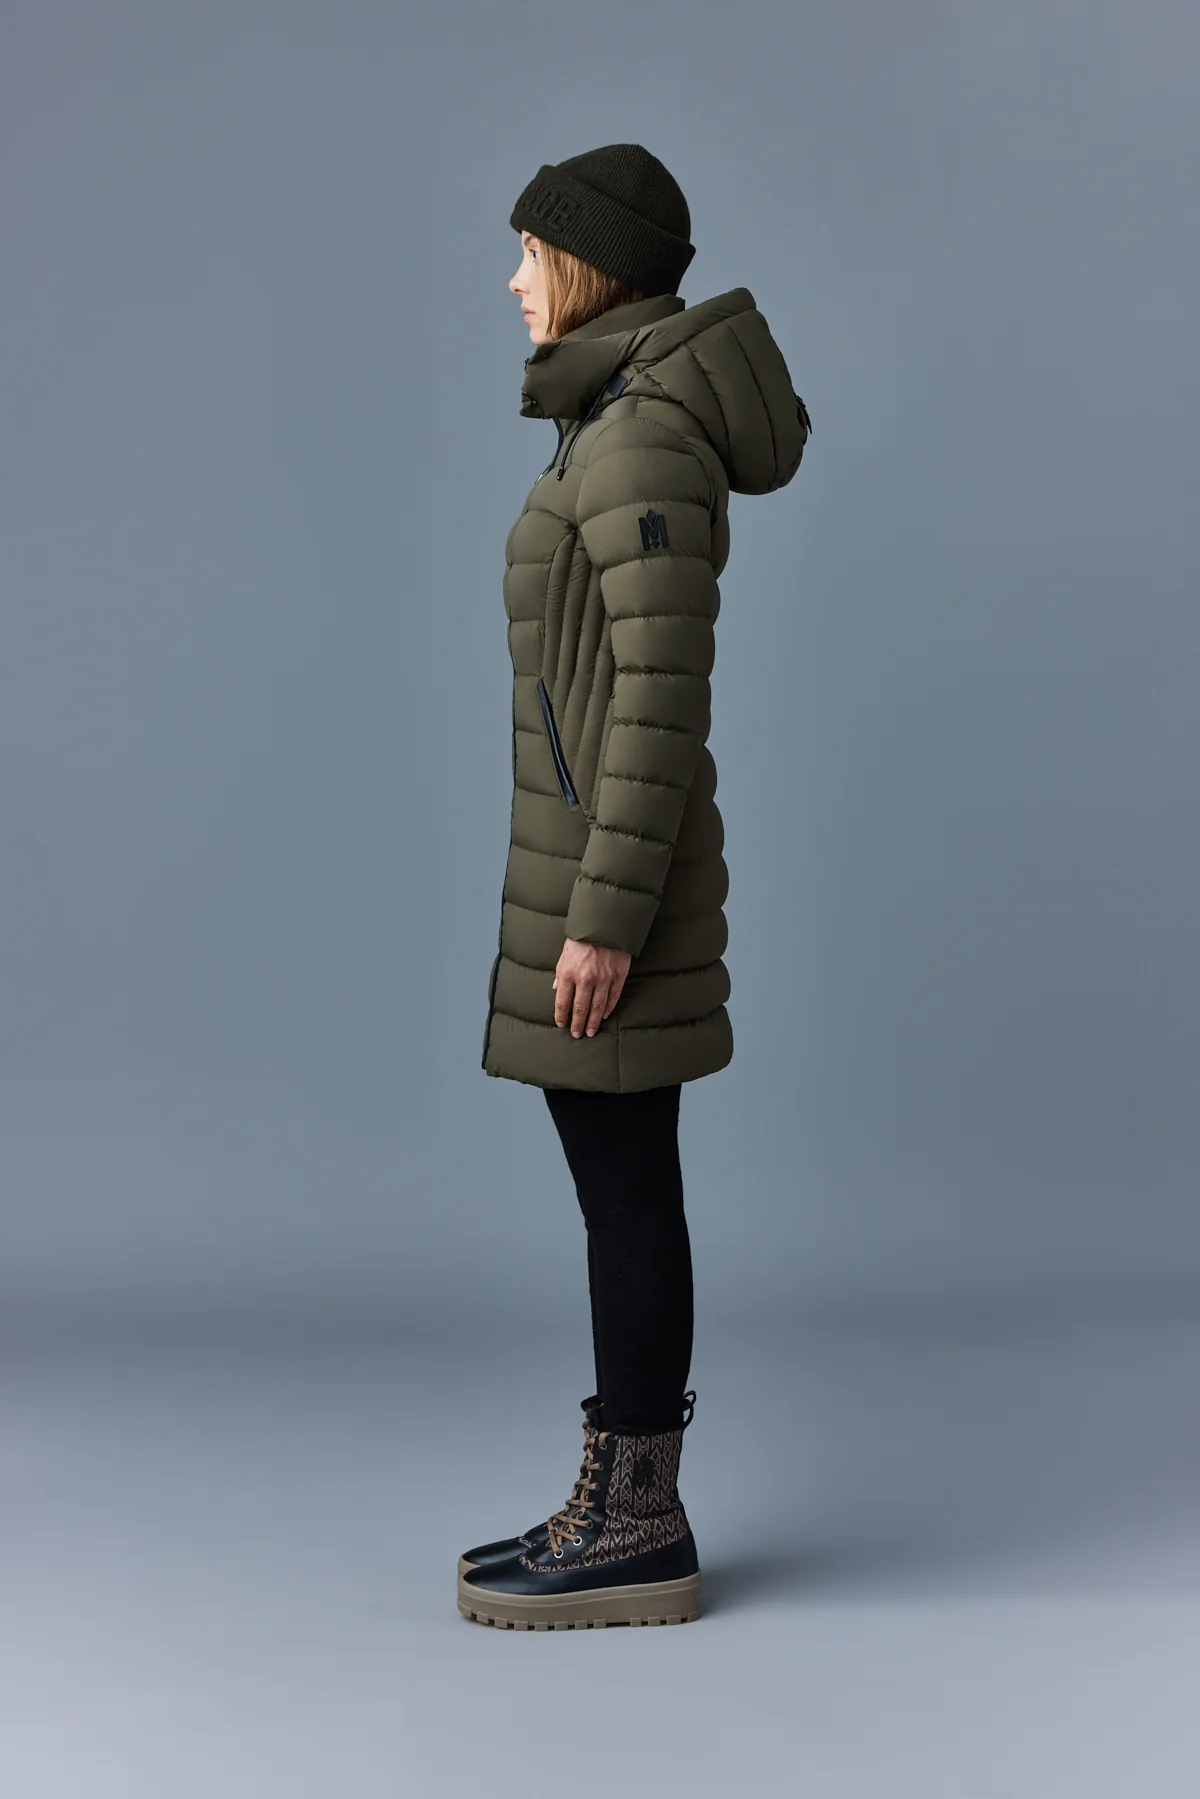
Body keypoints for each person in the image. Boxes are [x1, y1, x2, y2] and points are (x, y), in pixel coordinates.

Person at [458, 143, 811, 1631]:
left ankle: (638, 1520)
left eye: (531, 255)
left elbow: (662, 703)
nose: (513, 281)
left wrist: (602, 917)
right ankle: (621, 1502)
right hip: (590, 870)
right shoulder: (604, 422)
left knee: (625, 1187)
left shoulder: (642, 439)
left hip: (619, 892)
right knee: (620, 1181)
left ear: (591, 267)